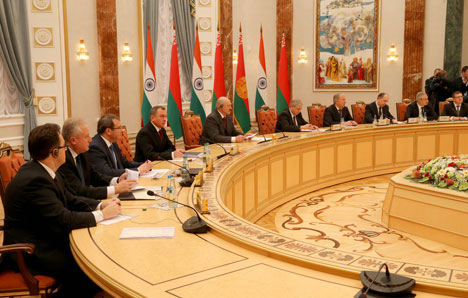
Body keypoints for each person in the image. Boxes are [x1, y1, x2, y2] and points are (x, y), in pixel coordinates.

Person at [3, 123, 121, 297]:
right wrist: (102, 215)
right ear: (54, 152)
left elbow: (70, 198)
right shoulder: (35, 180)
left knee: (96, 256)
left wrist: (100, 205)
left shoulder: (44, 170)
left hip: (46, 237)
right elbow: (64, 219)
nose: (67, 149)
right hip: (32, 252)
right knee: (90, 265)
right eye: (64, 146)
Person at [58, 118, 136, 200]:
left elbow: (95, 176)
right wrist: (115, 189)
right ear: (73, 140)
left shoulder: (83, 153)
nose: (90, 140)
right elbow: (79, 191)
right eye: (86, 137)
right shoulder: (64, 159)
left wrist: (117, 180)